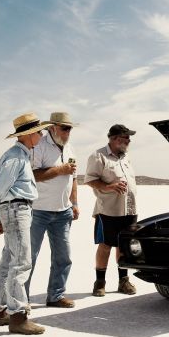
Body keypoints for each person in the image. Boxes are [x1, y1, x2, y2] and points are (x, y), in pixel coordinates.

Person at [0, 112, 51, 335]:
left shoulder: (21, 155)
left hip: (15, 210)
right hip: (16, 209)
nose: (42, 135)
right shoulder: (16, 156)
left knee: (9, 260)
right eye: (39, 132)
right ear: (29, 135)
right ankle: (18, 316)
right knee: (21, 262)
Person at [25, 112, 79, 309]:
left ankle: (56, 296)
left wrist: (74, 203)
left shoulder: (70, 148)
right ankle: (21, 301)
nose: (68, 132)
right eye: (65, 128)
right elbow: (33, 174)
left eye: (70, 128)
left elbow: (73, 178)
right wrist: (60, 170)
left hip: (63, 212)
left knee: (63, 257)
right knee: (28, 258)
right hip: (38, 210)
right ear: (52, 128)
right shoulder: (39, 146)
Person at [84, 123, 138, 297]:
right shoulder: (98, 156)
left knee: (123, 245)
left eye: (129, 138)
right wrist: (110, 186)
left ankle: (123, 281)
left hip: (129, 210)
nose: (129, 140)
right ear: (115, 139)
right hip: (108, 210)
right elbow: (90, 180)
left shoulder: (125, 157)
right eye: (126, 137)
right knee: (106, 245)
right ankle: (100, 282)